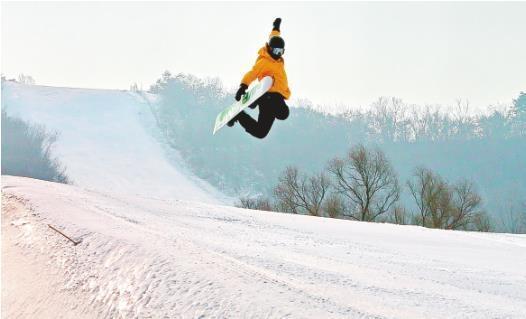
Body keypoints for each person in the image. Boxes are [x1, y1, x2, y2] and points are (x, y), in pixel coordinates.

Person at [227, 18, 291, 139]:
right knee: (283, 113)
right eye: (276, 51)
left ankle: (238, 115)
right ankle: (257, 100)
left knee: (260, 132)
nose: (278, 54)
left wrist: (276, 27)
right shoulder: (264, 61)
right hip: (271, 95)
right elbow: (252, 73)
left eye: (281, 52)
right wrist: (243, 86)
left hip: (272, 101)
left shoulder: (278, 59)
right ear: (270, 48)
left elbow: (273, 36)